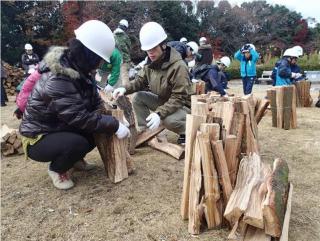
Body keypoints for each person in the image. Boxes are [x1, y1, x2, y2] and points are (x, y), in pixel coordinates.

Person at [19, 20, 130, 190]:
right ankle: (57, 169)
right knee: (79, 143)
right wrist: (114, 125)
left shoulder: (82, 71)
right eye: (98, 59)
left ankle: (74, 160)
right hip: (39, 136)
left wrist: (116, 118)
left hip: (59, 126)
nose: (100, 64)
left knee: (95, 132)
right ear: (89, 54)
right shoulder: (58, 77)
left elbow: (94, 103)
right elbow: (78, 117)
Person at [112, 22, 192, 144]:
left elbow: (179, 98)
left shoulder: (179, 66)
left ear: (163, 45)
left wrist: (159, 114)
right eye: (147, 50)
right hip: (165, 101)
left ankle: (189, 131)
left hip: (183, 107)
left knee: (168, 120)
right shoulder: (151, 64)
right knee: (139, 97)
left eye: (153, 48)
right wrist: (124, 88)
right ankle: (147, 134)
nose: (150, 52)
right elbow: (139, 81)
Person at [114, 19, 131, 86]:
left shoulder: (113, 35)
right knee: (125, 78)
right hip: (124, 60)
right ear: (125, 28)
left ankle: (115, 93)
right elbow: (129, 47)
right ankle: (125, 92)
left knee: (117, 77)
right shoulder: (125, 37)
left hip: (115, 59)